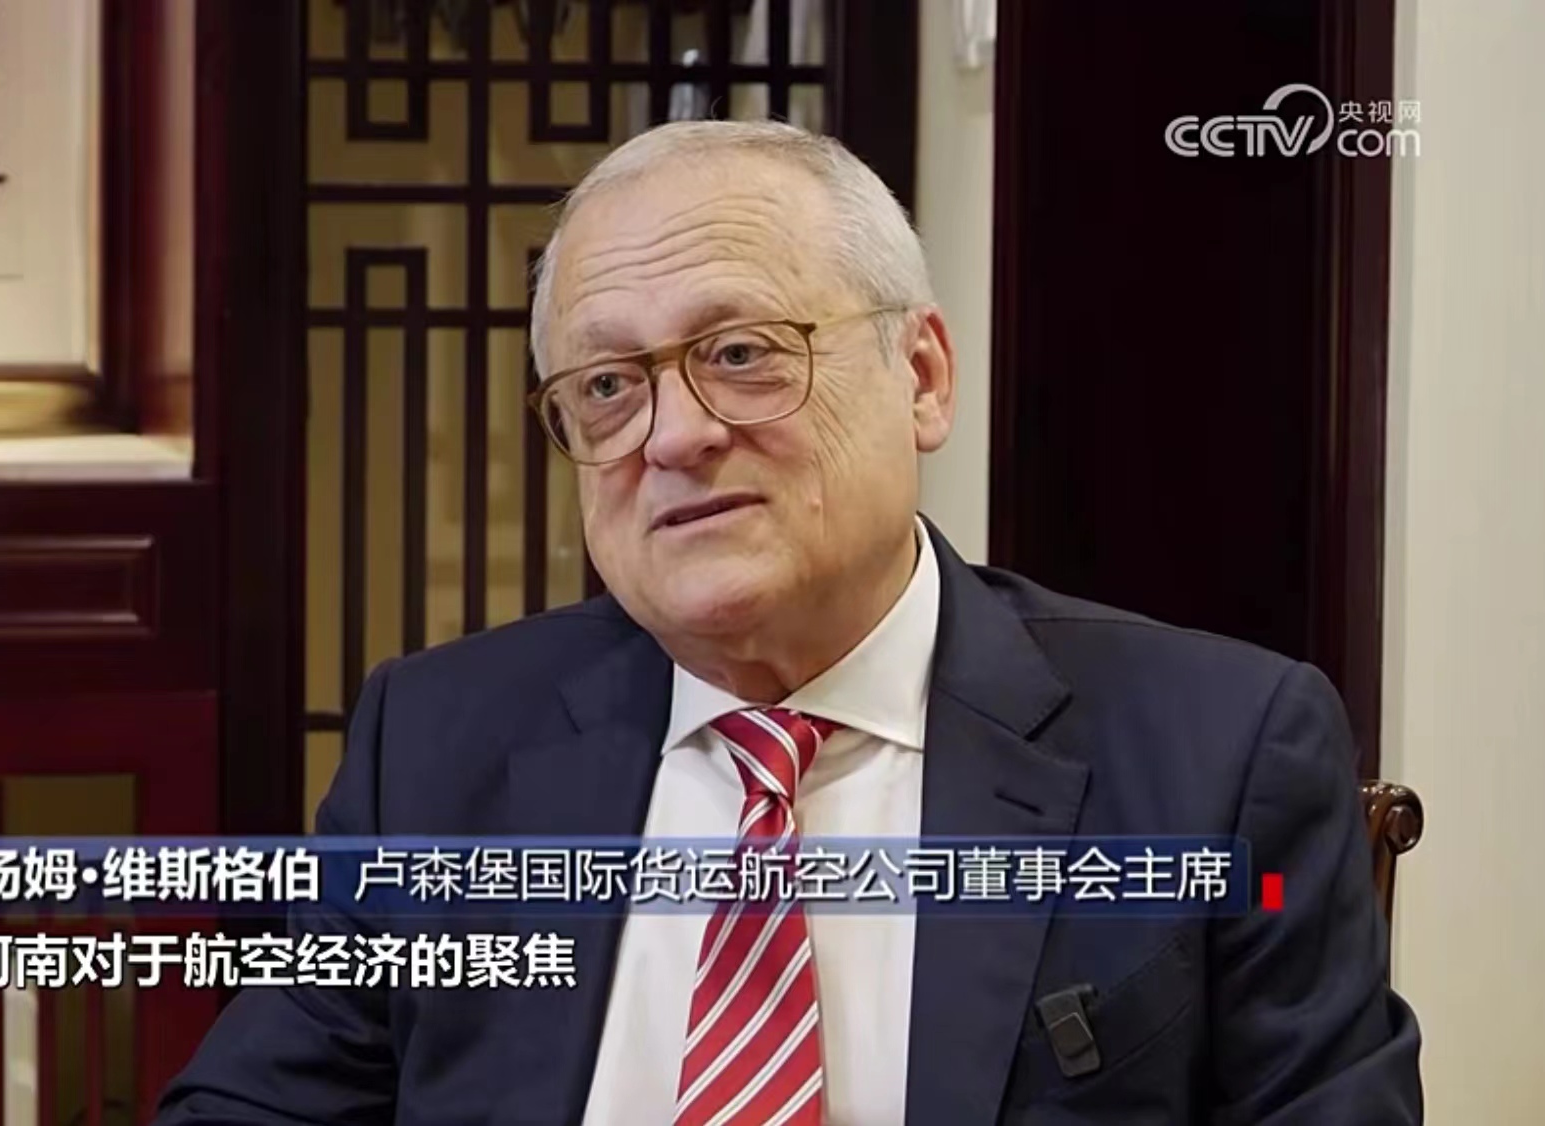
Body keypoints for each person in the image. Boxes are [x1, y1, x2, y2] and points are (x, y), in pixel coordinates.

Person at [155, 121, 1422, 1125]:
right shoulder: (438, 745)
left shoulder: (1219, 750)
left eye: (742, 352)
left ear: (921, 377)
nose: (674, 434)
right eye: (608, 385)